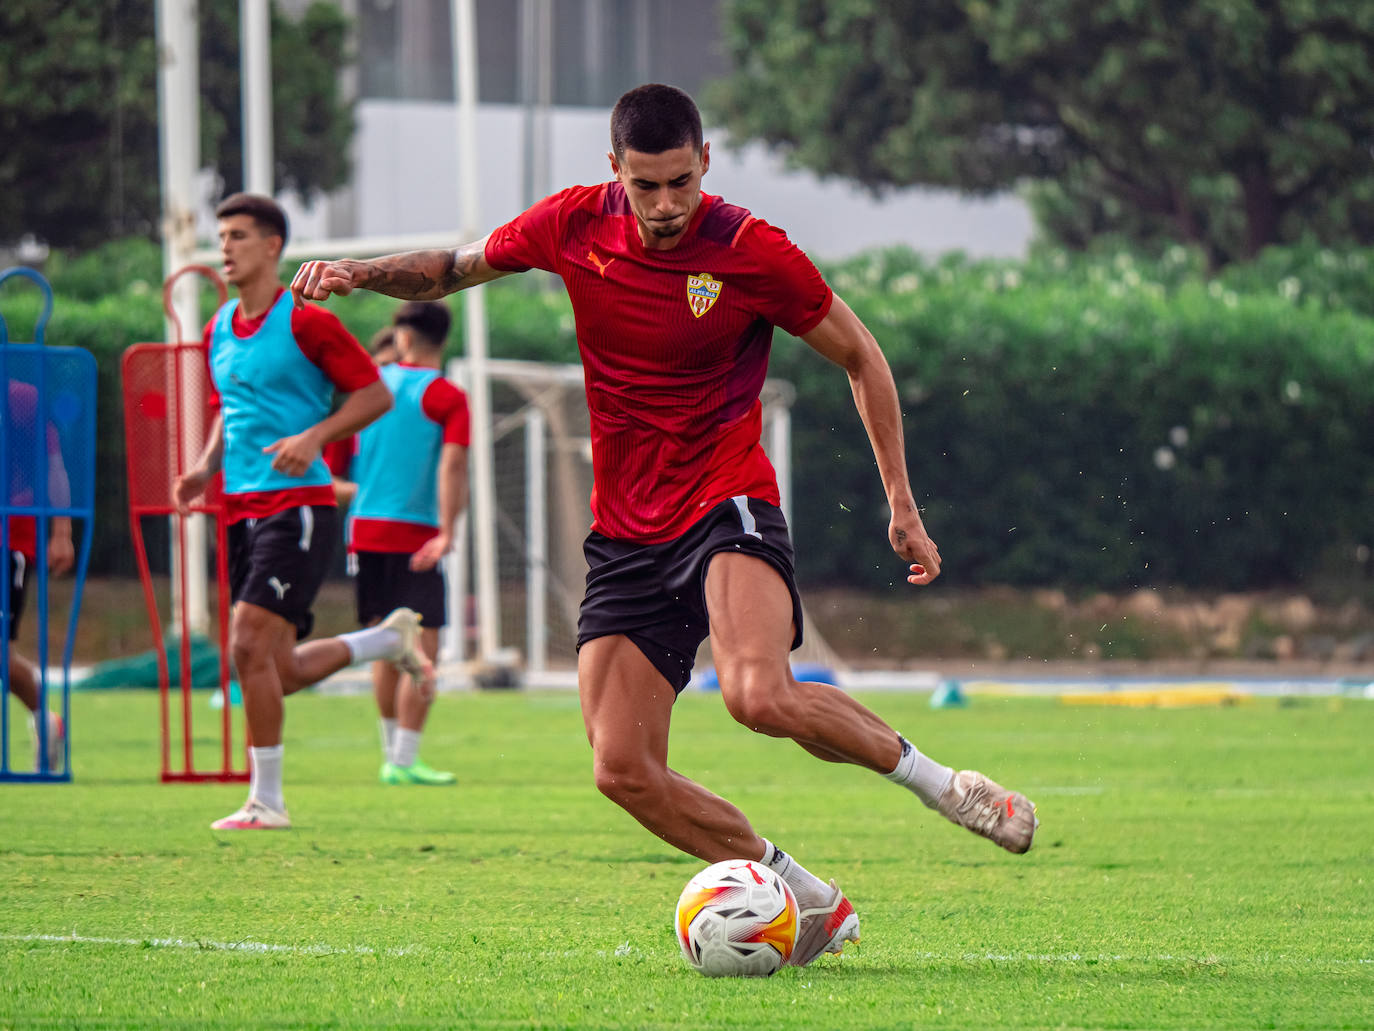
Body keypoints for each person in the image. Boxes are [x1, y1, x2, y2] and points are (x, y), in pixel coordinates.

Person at [291, 84, 1038, 965]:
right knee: (621, 770)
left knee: (758, 695)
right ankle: (806, 896)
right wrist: (360, 273)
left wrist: (901, 500)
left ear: (705, 161)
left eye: (681, 181)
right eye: (646, 186)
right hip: (624, 533)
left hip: (726, 500)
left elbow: (860, 356)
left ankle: (949, 787)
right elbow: (453, 268)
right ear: (615, 170)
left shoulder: (751, 249)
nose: (666, 205)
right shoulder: (573, 223)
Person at [172, 192, 432, 831]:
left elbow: (373, 396)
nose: (225, 247)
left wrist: (314, 439)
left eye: (238, 235)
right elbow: (229, 411)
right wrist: (204, 468)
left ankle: (267, 802)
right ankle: (385, 640)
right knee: (277, 669)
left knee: (245, 644)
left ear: (272, 246)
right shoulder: (218, 327)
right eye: (221, 236)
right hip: (240, 510)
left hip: (298, 508)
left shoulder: (307, 321)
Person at [327, 301, 470, 786]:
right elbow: (453, 464)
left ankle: (393, 755)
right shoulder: (447, 396)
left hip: (364, 533)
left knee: (385, 644)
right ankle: (404, 759)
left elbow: (332, 477)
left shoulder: (365, 393)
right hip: (416, 537)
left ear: (402, 338)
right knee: (424, 648)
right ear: (442, 339)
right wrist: (448, 530)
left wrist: (368, 495)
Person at [3, 380, 74, 772]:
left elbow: (53, 464)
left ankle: (45, 720)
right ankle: (47, 721)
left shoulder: (20, 397)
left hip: (9, 536)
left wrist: (61, 531)